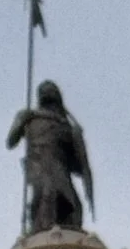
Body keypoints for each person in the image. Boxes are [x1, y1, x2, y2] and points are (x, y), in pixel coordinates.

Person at [7, 81, 94, 234]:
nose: (47, 93)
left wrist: (76, 137)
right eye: (44, 91)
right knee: (47, 194)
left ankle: (64, 234)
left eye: (51, 90)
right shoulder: (30, 116)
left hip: (59, 166)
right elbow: (11, 141)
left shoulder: (64, 125)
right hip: (38, 163)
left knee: (72, 204)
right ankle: (41, 231)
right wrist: (22, 122)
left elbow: (77, 165)